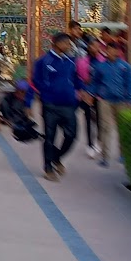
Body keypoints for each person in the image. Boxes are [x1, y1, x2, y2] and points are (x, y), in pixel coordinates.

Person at [31, 32, 84, 181]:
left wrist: (81, 90)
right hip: (50, 105)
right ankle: (48, 168)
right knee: (50, 137)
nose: (69, 46)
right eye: (66, 43)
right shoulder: (43, 61)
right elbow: (36, 80)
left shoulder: (71, 61)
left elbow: (76, 79)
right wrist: (47, 91)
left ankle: (57, 157)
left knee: (72, 135)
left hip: (68, 105)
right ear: (57, 44)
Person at [89, 43, 131, 165]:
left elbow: (130, 84)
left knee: (122, 128)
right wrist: (90, 94)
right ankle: (105, 157)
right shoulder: (100, 66)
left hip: (121, 101)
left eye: (113, 50)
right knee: (105, 128)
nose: (110, 52)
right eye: (108, 50)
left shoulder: (125, 67)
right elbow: (95, 82)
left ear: (117, 52)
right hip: (105, 100)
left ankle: (123, 154)